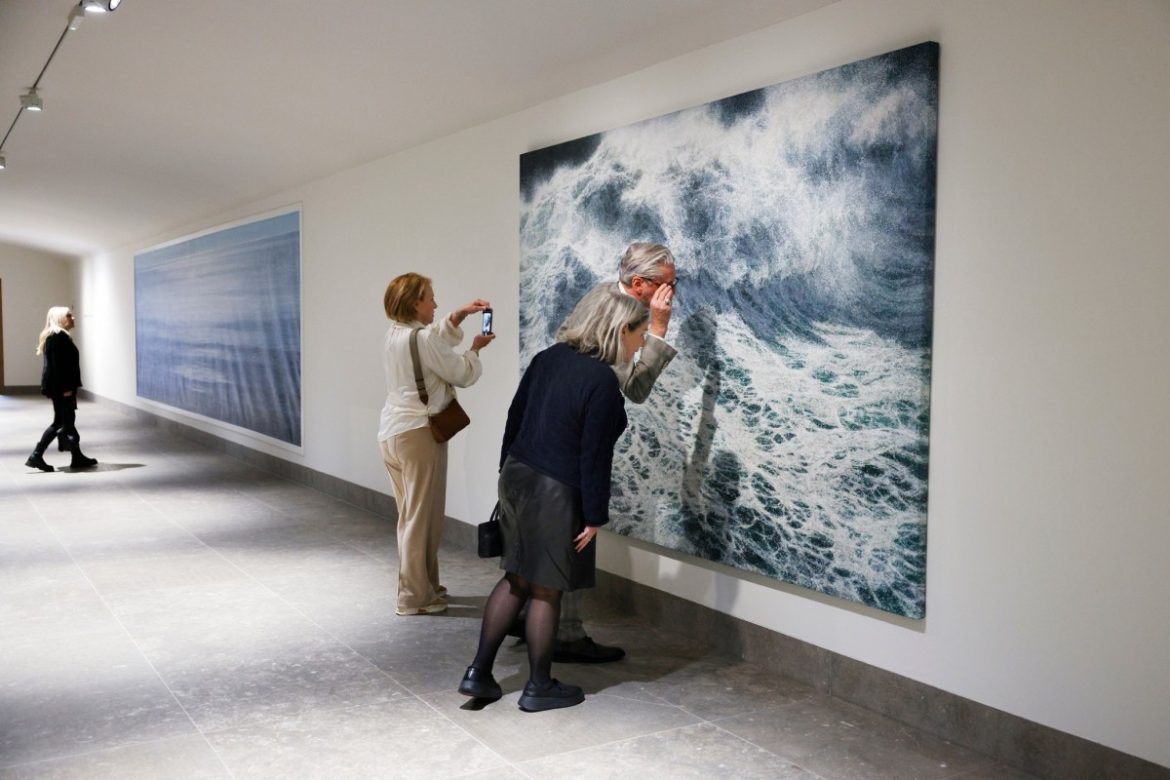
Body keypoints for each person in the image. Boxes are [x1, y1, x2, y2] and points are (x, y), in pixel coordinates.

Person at [459, 288, 649, 711]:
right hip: (555, 491)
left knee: (516, 577)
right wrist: (594, 516)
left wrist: (505, 472)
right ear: (620, 330)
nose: (642, 342)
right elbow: (593, 457)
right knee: (546, 590)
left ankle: (479, 674)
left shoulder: (548, 358)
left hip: (517, 475)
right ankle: (538, 686)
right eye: (641, 333)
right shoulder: (601, 380)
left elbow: (515, 418)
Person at [518, 241, 679, 664]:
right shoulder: (621, 320)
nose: (671, 293)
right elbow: (636, 388)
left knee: (540, 544)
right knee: (570, 543)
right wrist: (658, 329)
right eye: (666, 284)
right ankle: (564, 635)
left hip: (539, 444)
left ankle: (531, 621)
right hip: (569, 451)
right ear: (640, 284)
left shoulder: (598, 298)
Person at [379, 273, 494, 616]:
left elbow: (428, 346)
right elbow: (461, 373)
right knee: (420, 520)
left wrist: (456, 318)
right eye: (431, 298)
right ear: (415, 302)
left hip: (393, 433)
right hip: (419, 436)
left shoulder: (395, 334)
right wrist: (474, 349)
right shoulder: (422, 338)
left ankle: (425, 587)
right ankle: (413, 597)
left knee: (414, 516)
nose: (436, 304)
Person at [25, 307, 97, 472]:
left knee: (68, 420)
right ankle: (36, 455)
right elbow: (57, 367)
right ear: (59, 318)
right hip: (62, 388)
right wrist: (66, 389)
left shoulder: (58, 336)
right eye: (68, 315)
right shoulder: (58, 338)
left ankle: (77, 456)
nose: (73, 317)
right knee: (60, 422)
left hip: (61, 387)